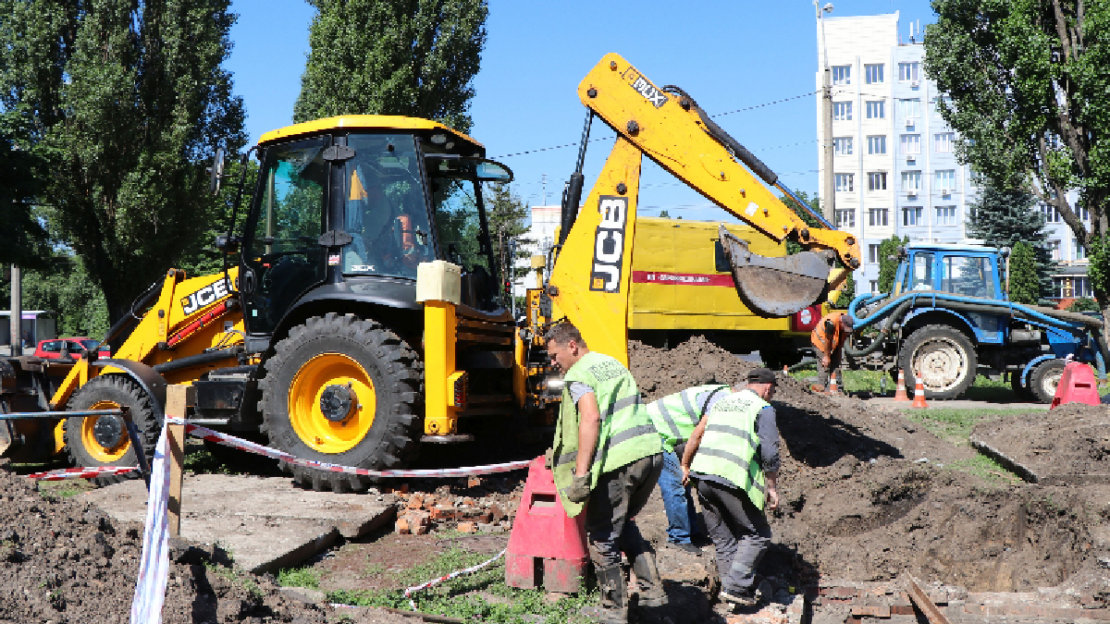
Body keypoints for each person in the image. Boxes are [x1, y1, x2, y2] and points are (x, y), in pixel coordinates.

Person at [545, 322, 666, 623]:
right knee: (623, 525)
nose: (553, 362)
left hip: (620, 462)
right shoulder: (611, 363)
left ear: (572, 346)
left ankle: (613, 613)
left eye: (554, 355)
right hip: (650, 453)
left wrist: (581, 475)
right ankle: (653, 595)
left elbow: (591, 418)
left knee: (601, 537)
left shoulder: (578, 374)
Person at [681, 367, 781, 612]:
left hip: (702, 476)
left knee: (724, 538)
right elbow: (770, 451)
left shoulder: (722, 402)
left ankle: (730, 593)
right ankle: (737, 586)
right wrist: (771, 485)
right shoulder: (763, 408)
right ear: (768, 388)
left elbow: (697, 433)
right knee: (758, 534)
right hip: (730, 477)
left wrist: (685, 464)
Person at [643, 383, 732, 553]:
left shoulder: (724, 394)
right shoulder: (723, 400)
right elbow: (698, 435)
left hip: (665, 431)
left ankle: (692, 531)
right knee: (675, 484)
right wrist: (685, 465)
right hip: (653, 430)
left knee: (684, 484)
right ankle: (679, 537)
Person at [810, 310, 854, 393]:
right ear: (841, 322)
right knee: (825, 365)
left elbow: (842, 338)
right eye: (845, 328)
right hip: (821, 342)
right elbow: (827, 340)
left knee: (836, 364)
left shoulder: (847, 321)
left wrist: (839, 352)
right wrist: (826, 356)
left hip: (833, 343)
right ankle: (821, 388)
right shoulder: (831, 323)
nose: (846, 330)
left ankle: (837, 388)